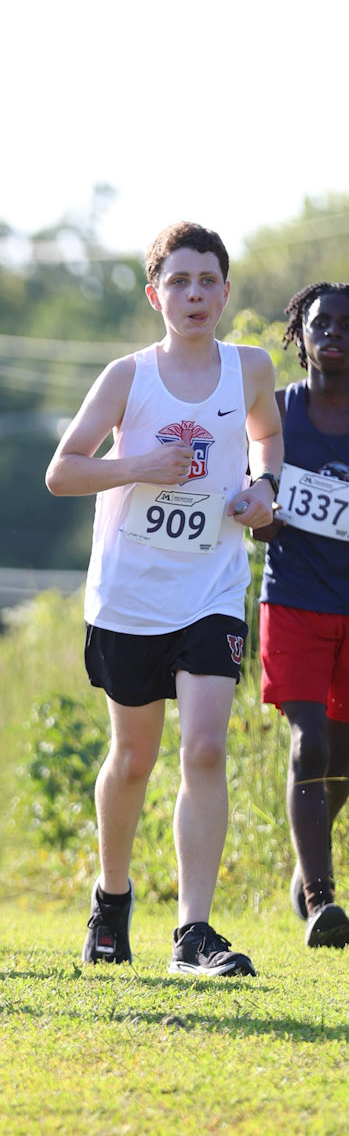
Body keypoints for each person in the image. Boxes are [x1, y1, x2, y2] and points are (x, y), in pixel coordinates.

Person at [46, 222, 282, 976]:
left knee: (205, 746)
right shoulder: (126, 377)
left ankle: (193, 934)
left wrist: (261, 487)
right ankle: (111, 900)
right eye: (178, 283)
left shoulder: (248, 368)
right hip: (128, 596)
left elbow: (266, 435)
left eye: (206, 281)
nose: (193, 295)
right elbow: (61, 471)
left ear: (223, 291)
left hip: (210, 587)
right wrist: (138, 464)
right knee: (132, 758)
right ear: (155, 296)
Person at [247, 283, 349, 947]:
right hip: (293, 600)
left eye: (346, 323)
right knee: (308, 743)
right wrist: (259, 510)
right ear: (300, 334)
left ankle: (303, 864)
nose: (333, 332)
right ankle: (320, 900)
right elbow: (246, 484)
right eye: (321, 323)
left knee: (342, 754)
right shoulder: (277, 413)